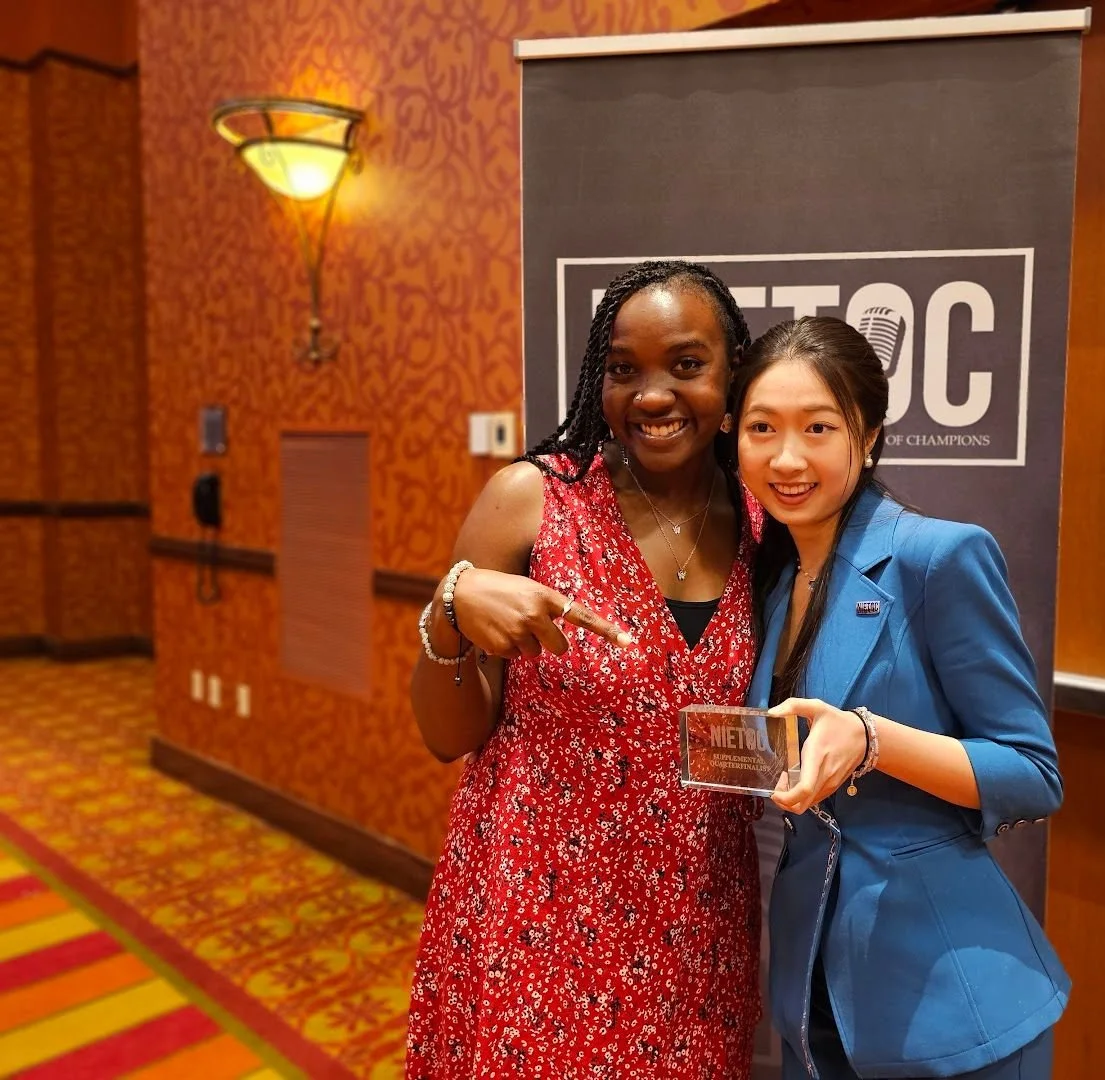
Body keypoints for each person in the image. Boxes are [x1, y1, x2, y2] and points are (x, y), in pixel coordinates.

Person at [405, 261, 764, 1078]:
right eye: (621, 370)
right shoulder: (532, 500)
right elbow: (444, 732)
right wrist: (451, 611)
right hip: (541, 913)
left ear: (732, 369)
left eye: (685, 364)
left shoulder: (763, 522)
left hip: (698, 921)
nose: (651, 395)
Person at [732, 316, 1069, 1080]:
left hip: (950, 1001)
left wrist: (871, 738)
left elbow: (1032, 772)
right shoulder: (775, 585)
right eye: (761, 428)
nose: (787, 457)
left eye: (818, 427)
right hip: (817, 997)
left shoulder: (936, 557)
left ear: (870, 436)